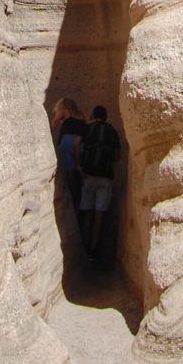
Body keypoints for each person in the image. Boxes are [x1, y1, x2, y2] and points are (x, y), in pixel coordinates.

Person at [77, 105, 121, 258]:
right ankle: (93, 247)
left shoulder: (88, 129)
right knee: (99, 214)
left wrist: (79, 164)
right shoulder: (112, 132)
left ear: (93, 115)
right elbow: (117, 156)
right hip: (105, 177)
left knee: (87, 211)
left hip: (88, 175)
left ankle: (83, 244)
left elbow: (77, 143)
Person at [50, 97, 87, 209]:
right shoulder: (81, 114)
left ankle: (70, 195)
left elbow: (54, 123)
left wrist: (50, 135)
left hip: (67, 142)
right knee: (76, 168)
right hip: (80, 143)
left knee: (67, 171)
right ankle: (78, 197)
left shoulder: (65, 111)